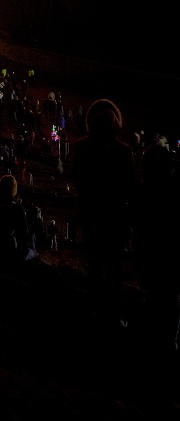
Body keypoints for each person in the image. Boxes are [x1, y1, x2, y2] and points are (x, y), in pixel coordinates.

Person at [72, 98, 135, 325]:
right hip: (115, 219)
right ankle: (113, 313)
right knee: (114, 268)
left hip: (91, 216)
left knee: (95, 266)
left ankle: (95, 309)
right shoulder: (124, 151)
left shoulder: (80, 148)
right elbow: (129, 188)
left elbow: (79, 182)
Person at [134, 143, 180, 353]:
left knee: (156, 295)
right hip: (168, 253)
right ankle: (169, 340)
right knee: (169, 296)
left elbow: (139, 222)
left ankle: (159, 339)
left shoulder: (146, 192)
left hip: (153, 252)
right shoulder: (172, 191)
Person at [0, 174, 33, 263]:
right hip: (9, 253)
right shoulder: (17, 209)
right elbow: (24, 237)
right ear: (13, 190)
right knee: (33, 254)